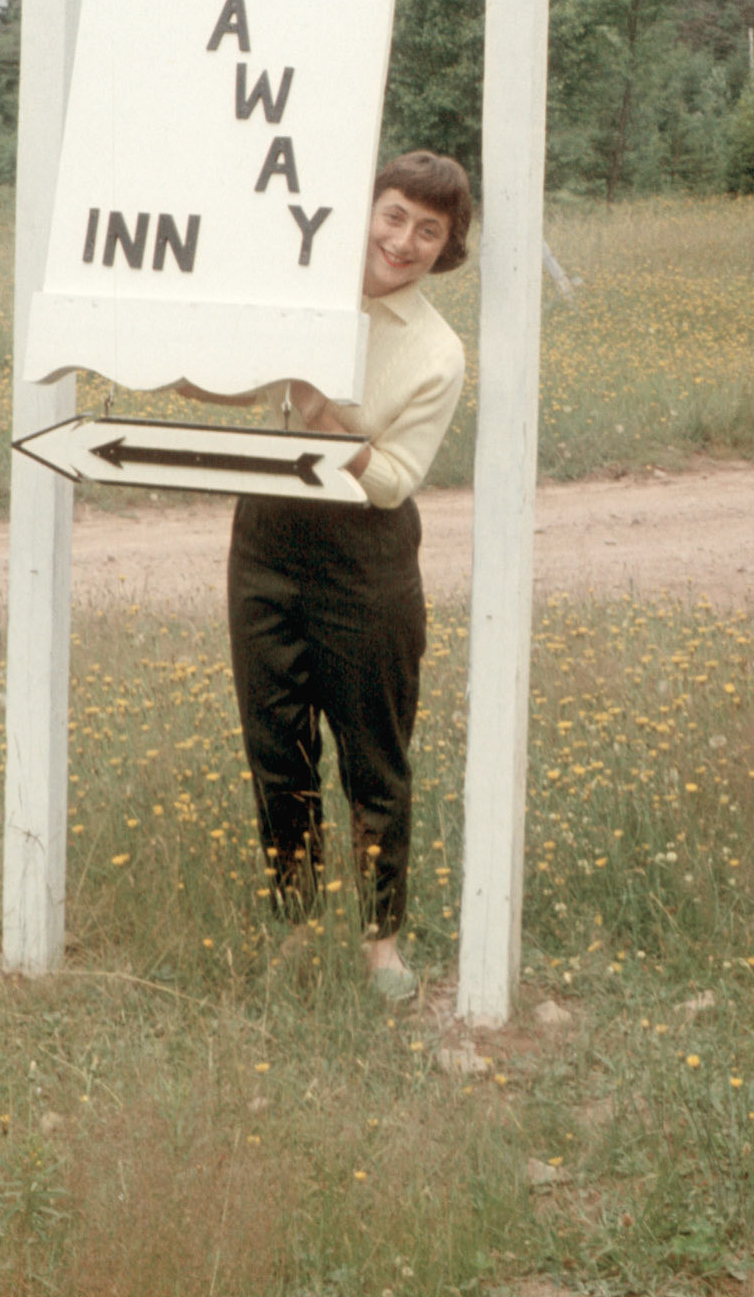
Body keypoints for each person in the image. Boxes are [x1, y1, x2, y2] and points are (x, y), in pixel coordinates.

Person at [203, 151, 471, 1000]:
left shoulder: (436, 350)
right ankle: (295, 926)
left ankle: (381, 943)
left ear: (446, 247)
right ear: (364, 211)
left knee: (373, 759)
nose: (404, 241)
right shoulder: (298, 292)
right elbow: (236, 393)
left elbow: (392, 478)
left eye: (429, 230)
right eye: (393, 215)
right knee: (276, 749)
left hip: (367, 559)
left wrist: (322, 413)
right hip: (267, 541)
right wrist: (169, 346)